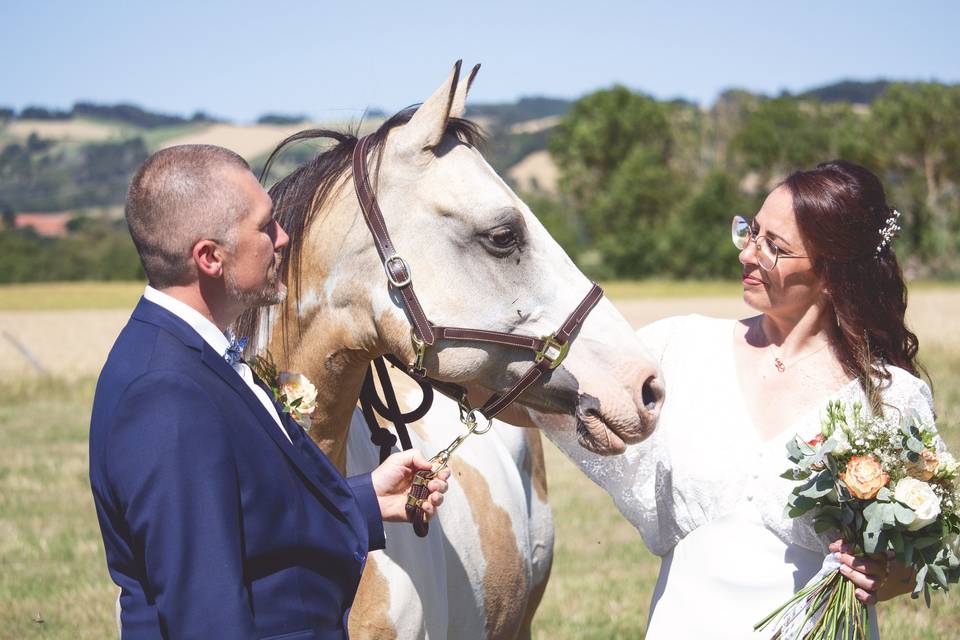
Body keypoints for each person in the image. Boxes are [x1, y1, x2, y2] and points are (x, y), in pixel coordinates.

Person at [550, 160, 936, 638]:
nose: (747, 254)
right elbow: (551, 393)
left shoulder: (888, 399)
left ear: (832, 274)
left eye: (774, 247)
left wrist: (879, 574)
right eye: (750, 232)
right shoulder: (681, 347)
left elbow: (916, 558)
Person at [89, 144, 450, 639]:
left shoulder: (202, 356)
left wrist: (366, 500)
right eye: (264, 226)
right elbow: (205, 613)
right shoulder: (165, 395)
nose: (283, 237)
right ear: (210, 258)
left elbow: (247, 523)